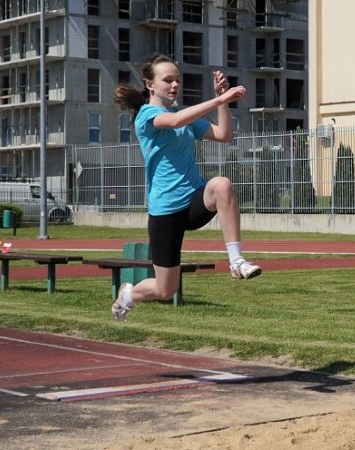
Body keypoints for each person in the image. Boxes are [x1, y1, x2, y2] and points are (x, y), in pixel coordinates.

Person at [111, 54, 261, 321]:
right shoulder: (147, 115)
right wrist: (220, 100)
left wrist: (222, 100)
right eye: (167, 80)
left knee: (222, 185)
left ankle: (236, 261)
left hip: (192, 201)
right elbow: (176, 121)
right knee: (165, 289)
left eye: (177, 80)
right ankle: (128, 296)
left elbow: (224, 136)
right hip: (165, 212)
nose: (174, 85)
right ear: (150, 84)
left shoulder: (185, 117)